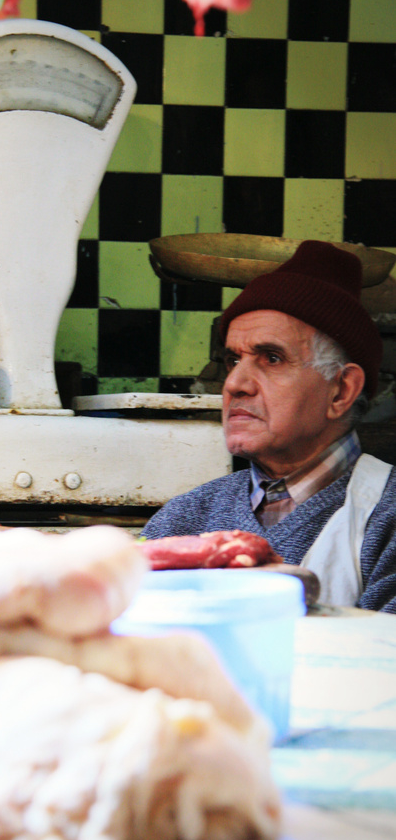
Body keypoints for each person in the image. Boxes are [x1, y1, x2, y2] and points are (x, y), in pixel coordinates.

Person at [143, 239, 396, 613]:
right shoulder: (186, 517)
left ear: (341, 390)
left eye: (272, 358)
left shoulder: (386, 518)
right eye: (233, 360)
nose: (234, 384)